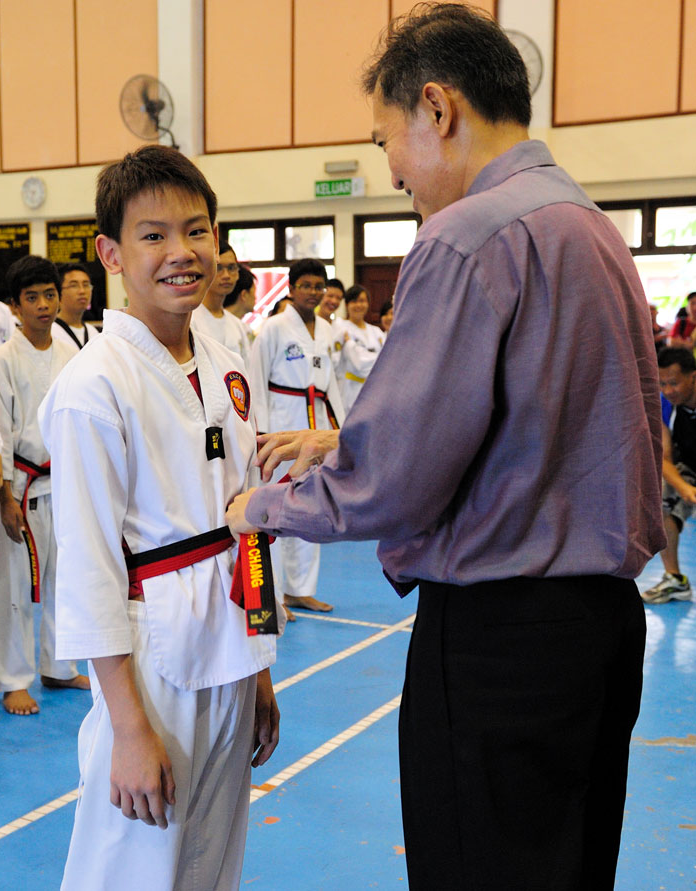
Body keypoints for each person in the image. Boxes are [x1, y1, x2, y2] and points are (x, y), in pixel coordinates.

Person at [227, 5, 665, 889]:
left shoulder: (467, 237)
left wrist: (262, 507)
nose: (393, 172)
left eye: (386, 141)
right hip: (600, 628)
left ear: (437, 108)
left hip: (503, 639)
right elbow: (551, 421)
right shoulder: (589, 225)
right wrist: (343, 440)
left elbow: (392, 484)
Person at [38, 145, 280, 889]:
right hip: (149, 657)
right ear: (111, 253)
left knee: (211, 862)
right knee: (131, 869)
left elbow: (246, 524)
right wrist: (127, 726)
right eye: (154, 235)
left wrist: (259, 664)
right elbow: (88, 566)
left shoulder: (226, 360)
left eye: (196, 230)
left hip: (231, 639)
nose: (181, 252)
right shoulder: (94, 386)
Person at [0, 255, 88, 716]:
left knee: (64, 580)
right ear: (15, 306)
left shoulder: (71, 356)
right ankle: (14, 680)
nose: (43, 305)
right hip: (21, 487)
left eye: (49, 295)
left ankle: (58, 666)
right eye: (31, 298)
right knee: (14, 588)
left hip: (64, 482)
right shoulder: (3, 360)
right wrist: (5, 498)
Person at [249, 258, 344, 619]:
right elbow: (256, 378)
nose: (313, 292)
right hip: (280, 423)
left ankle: (301, 589)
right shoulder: (274, 327)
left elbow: (332, 384)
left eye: (319, 286)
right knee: (276, 504)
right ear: (291, 288)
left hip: (316, 423)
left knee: (311, 504)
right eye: (306, 285)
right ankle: (274, 594)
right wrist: (259, 431)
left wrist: (341, 429)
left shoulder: (327, 329)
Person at [641, 347, 696, 604]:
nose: (668, 390)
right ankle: (675, 580)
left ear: (693, 377)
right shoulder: (665, 407)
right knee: (661, 498)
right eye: (662, 384)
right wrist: (685, 489)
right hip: (689, 467)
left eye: (673, 383)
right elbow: (663, 459)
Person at [191, 238, 251, 363]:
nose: (226, 275)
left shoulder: (237, 325)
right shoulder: (191, 320)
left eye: (231, 268)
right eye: (219, 268)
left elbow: (246, 369)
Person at [332, 285, 385, 413]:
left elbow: (386, 361)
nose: (358, 305)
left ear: (368, 303)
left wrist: (352, 346)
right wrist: (371, 358)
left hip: (374, 390)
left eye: (362, 301)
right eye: (354, 301)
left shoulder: (376, 332)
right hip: (349, 390)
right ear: (347, 305)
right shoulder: (340, 327)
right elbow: (359, 362)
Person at [52, 263, 100, 349]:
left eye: (86, 285)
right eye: (74, 285)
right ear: (59, 292)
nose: (82, 291)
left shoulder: (94, 333)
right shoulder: (50, 332)